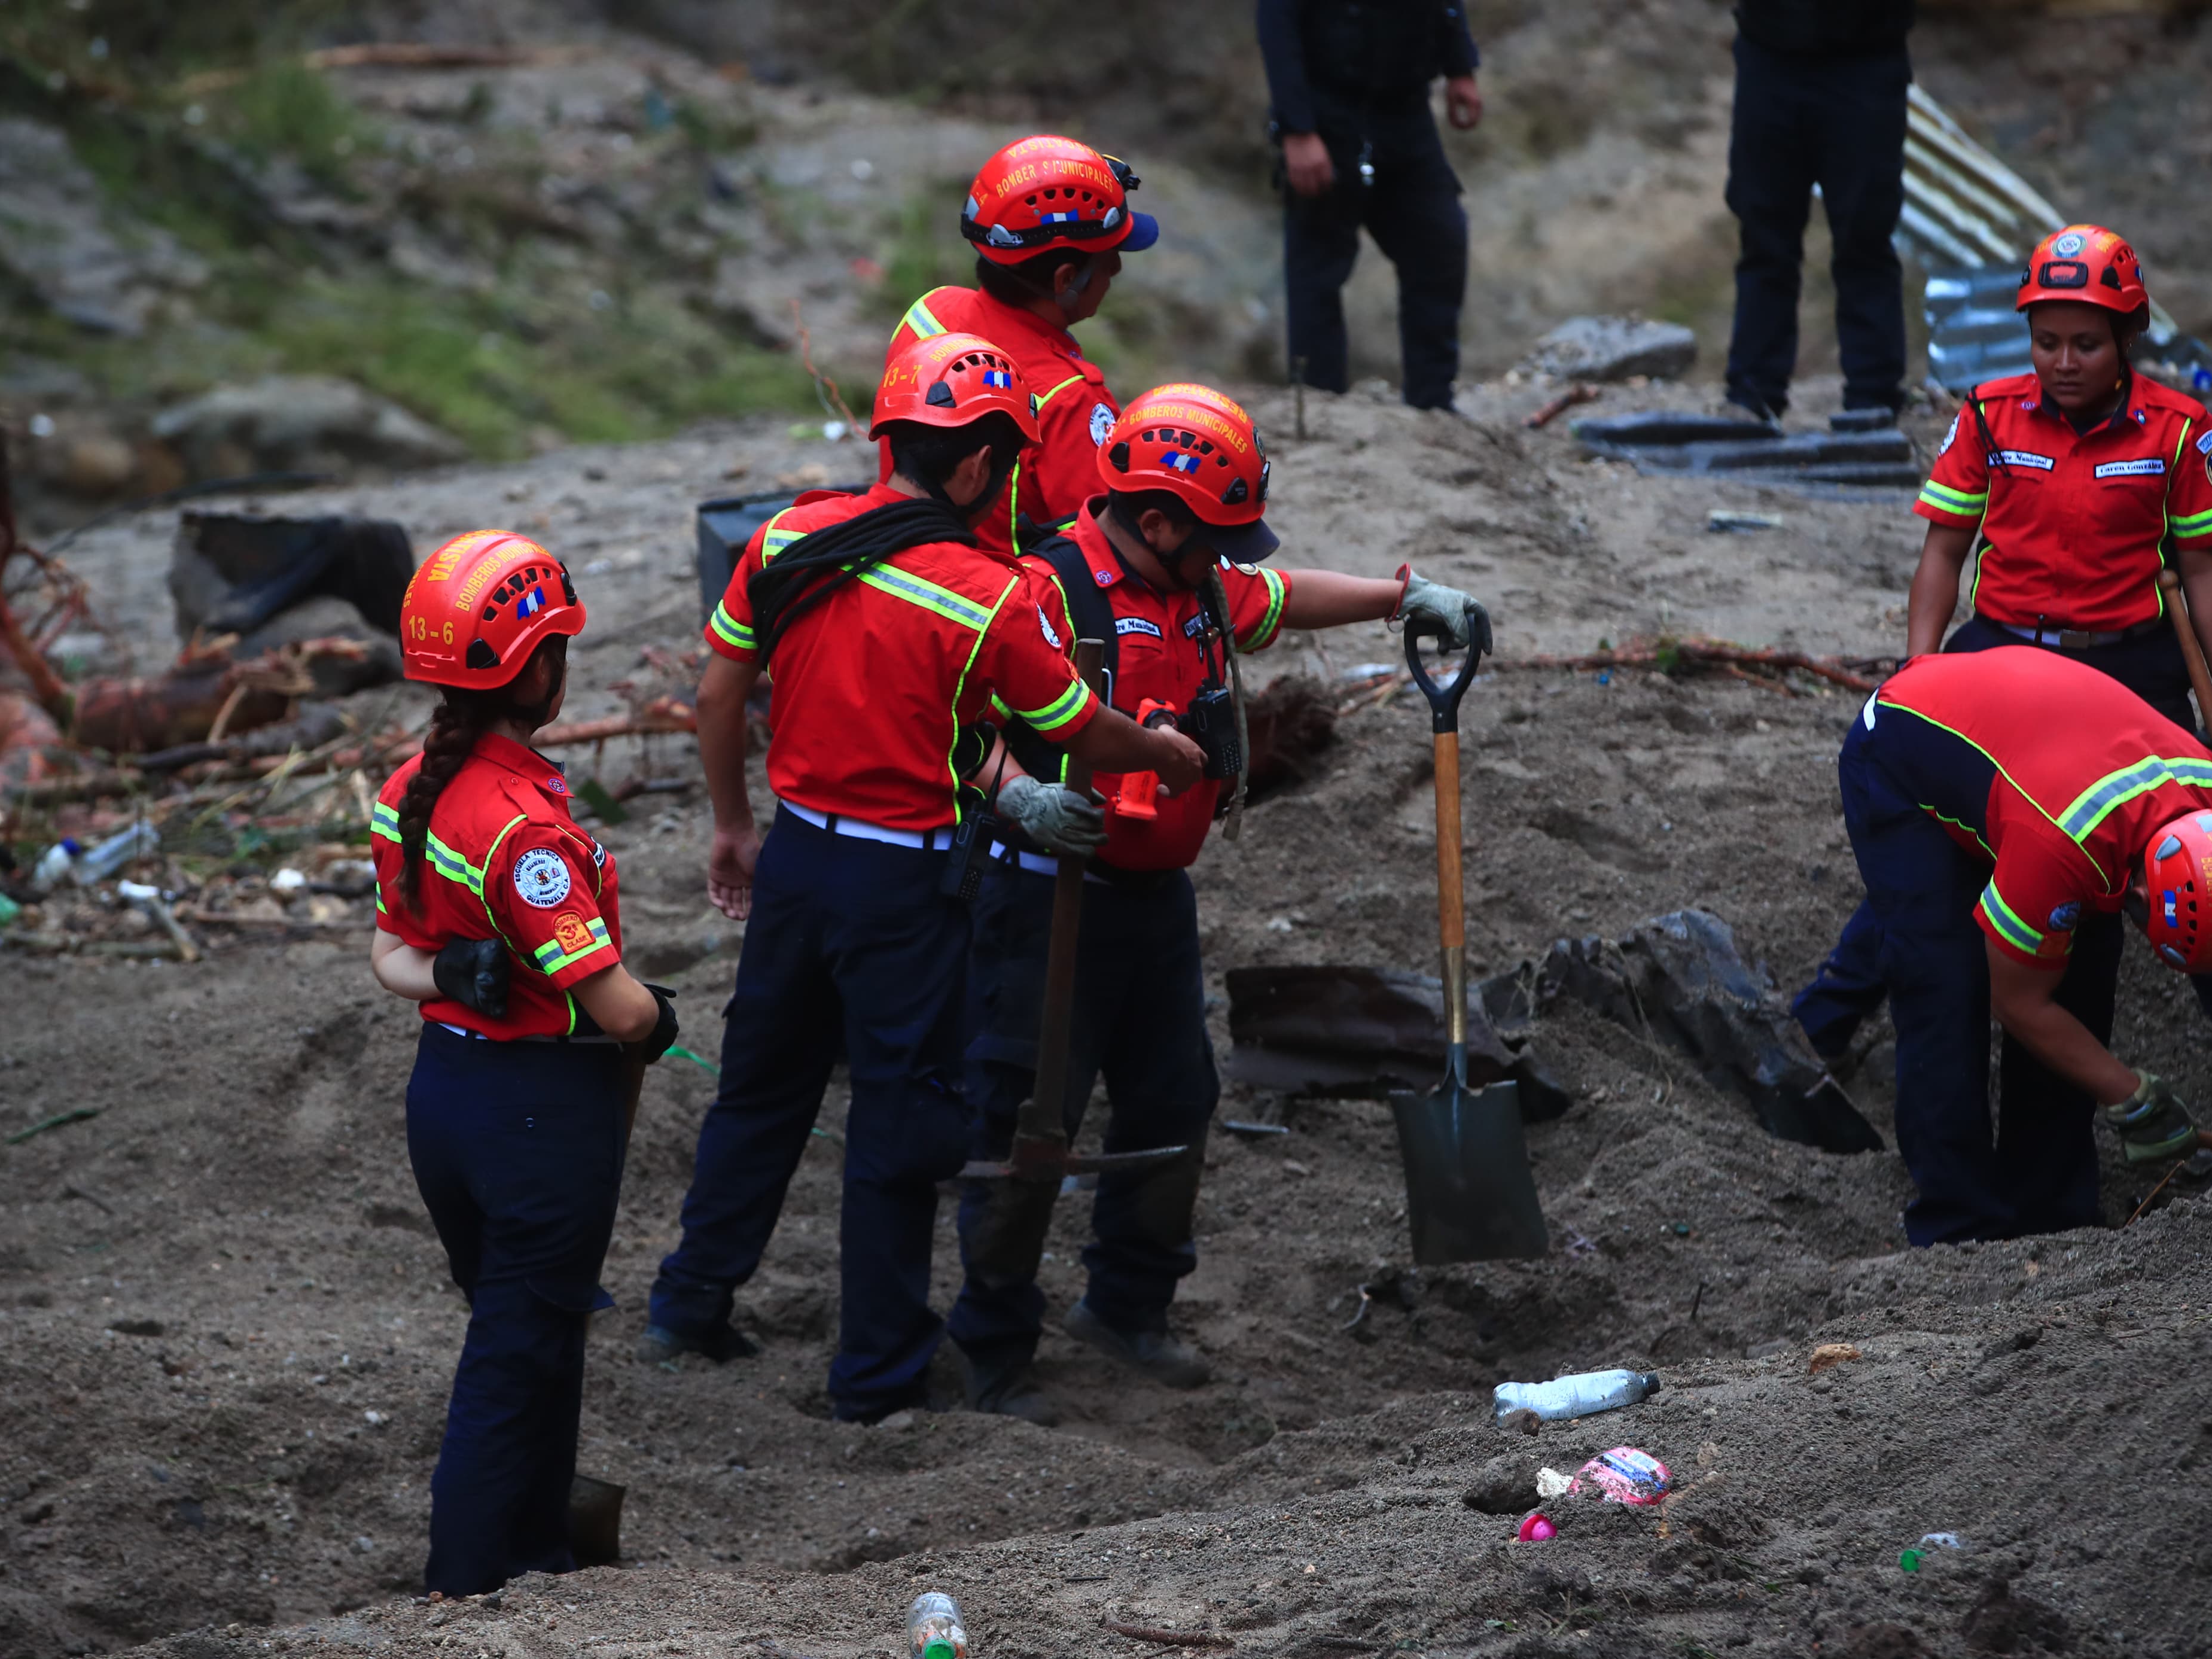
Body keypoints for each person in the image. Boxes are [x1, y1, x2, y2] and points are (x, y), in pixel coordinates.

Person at [645, 331, 1206, 1423]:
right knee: (899, 1134)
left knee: (760, 1091)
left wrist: (731, 825)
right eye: (1004, 464)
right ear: (972, 466)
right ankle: (876, 1380)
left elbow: (717, 700)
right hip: (903, 887)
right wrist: (1161, 753)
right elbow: (1074, 731)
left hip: (799, 858)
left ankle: (688, 1306)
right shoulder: (984, 593)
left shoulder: (789, 535)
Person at [947, 382, 1485, 1423]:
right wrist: (1018, 794)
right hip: (1048, 894)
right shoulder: (1042, 590)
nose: (1233, 555)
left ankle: (1128, 1304)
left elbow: (1278, 597)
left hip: (1152, 896)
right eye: (1220, 536)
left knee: (1174, 1097)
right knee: (1028, 1112)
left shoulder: (1196, 586)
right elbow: (962, 723)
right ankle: (994, 1341)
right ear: (1157, 521)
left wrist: (1397, 597)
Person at [1793, 224, 2212, 1084]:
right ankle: (1822, 1028)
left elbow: (2203, 569)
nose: (2064, 360)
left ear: (2129, 337)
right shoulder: (1987, 414)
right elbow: (1943, 552)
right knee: (1946, 848)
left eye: (2087, 343)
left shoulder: (2178, 429)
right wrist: (1920, 666)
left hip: (2127, 665)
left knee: (2191, 853)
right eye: (2046, 340)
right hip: (2003, 657)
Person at [365, 530, 679, 1597]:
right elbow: (616, 1001)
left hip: (445, 1103)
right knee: (510, 1360)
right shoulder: (522, 832)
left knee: (529, 1334)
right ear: (532, 668)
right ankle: (464, 1584)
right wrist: (655, 1021)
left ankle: (542, 1548)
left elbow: (386, 951)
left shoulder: (410, 784)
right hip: (538, 1117)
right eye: (557, 650)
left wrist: (453, 973)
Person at [1836, 646, 2212, 1246]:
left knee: (2082, 979)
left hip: (2033, 754)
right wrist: (2127, 1093)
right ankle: (1955, 1224)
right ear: (2139, 892)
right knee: (1944, 980)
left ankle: (2049, 1210)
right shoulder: (2061, 841)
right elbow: (2013, 998)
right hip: (1902, 747)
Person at [885, 134, 1159, 558]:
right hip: (995, 604)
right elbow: (1120, 551)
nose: (1118, 267)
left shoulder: (929, 312)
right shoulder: (1067, 400)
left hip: (896, 551)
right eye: (1109, 256)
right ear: (1065, 279)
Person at [1258, 0, 1482, 412]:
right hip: (1327, 111)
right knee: (1318, 268)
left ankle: (1433, 403)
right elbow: (1277, 23)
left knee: (1440, 243)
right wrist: (1296, 128)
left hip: (1406, 111)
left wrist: (1460, 66)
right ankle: (1320, 408)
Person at [1721, 0, 1915, 425]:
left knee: (1865, 237)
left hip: (1867, 58)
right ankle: (1752, 394)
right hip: (1768, 53)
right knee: (1763, 235)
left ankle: (1873, 399)